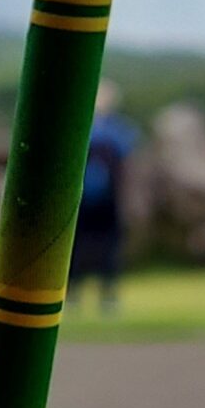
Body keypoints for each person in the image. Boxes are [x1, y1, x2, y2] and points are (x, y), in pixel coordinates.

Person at [72, 84, 140, 314]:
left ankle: (97, 296)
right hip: (95, 202)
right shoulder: (116, 131)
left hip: (96, 202)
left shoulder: (83, 128)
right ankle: (89, 296)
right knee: (87, 249)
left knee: (92, 249)